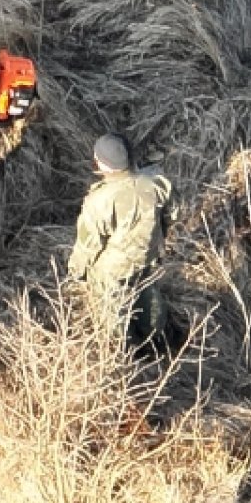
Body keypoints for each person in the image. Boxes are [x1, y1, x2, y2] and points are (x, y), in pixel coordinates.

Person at [68, 133, 173, 348]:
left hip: (113, 270)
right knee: (148, 293)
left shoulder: (99, 201)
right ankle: (157, 339)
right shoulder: (156, 181)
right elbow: (171, 215)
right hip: (148, 256)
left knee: (113, 312)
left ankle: (122, 352)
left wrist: (76, 272)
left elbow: (88, 245)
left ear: (102, 165)